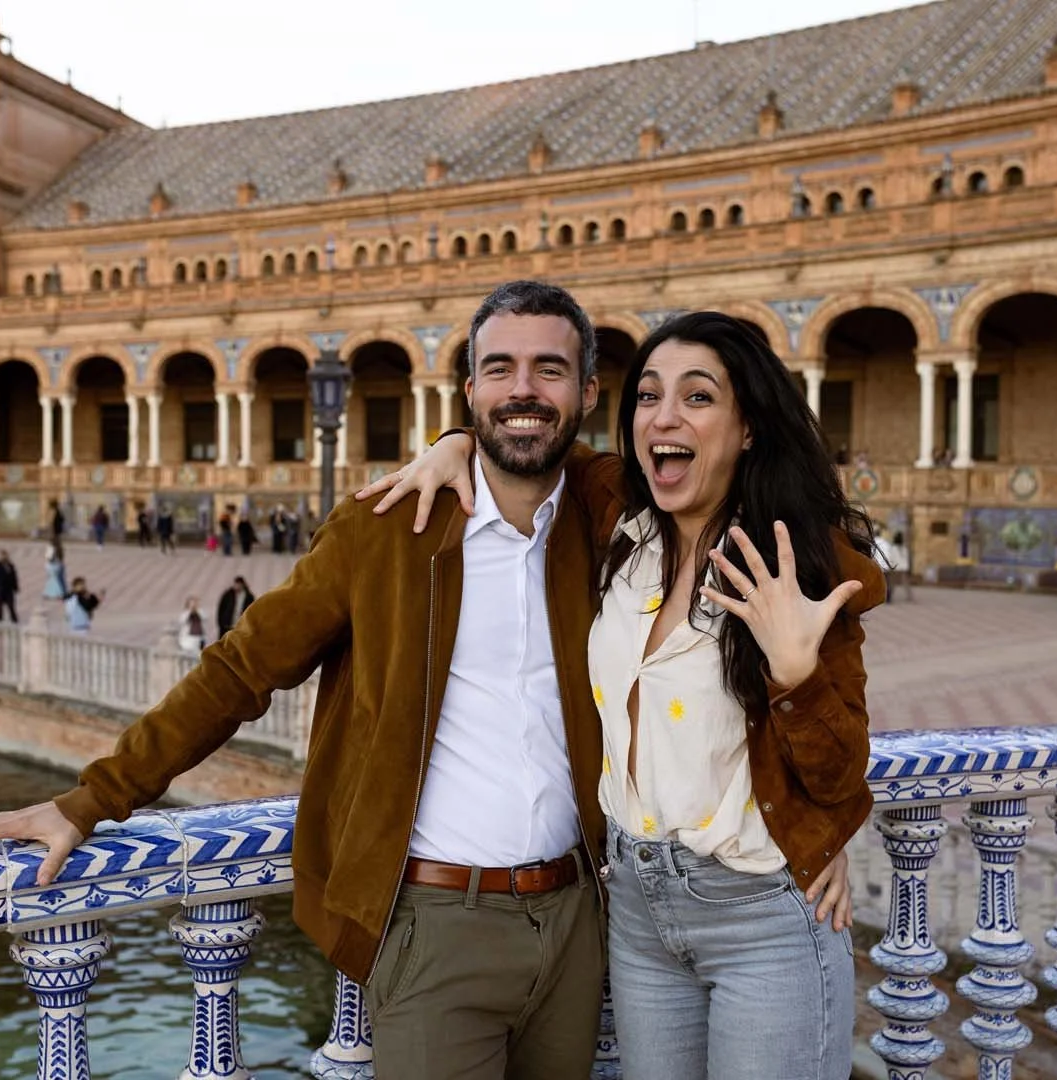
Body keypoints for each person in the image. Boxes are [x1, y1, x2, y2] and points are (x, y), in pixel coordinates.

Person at [0, 281, 627, 1080]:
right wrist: (90, 800)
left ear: (588, 392)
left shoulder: (603, 520)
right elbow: (241, 670)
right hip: (438, 925)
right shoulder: (381, 532)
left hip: (575, 919)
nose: (523, 390)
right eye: (500, 369)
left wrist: (453, 441)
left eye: (550, 370)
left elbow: (681, 463)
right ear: (470, 387)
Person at [369, 311, 875, 1080]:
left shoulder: (792, 569)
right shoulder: (622, 519)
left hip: (761, 917)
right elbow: (533, 437)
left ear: (748, 428)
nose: (664, 417)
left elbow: (840, 771)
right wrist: (456, 443)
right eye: (647, 396)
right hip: (637, 912)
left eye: (698, 397)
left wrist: (797, 677)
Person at [0, 550, 20, 622]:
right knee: (0, 606)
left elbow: (14, 577)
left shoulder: (10, 565)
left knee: (11, 605)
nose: (4, 557)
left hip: (9, 589)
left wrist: (16, 587)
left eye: (5, 555)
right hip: (0, 589)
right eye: (3, 556)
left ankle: (14, 620)